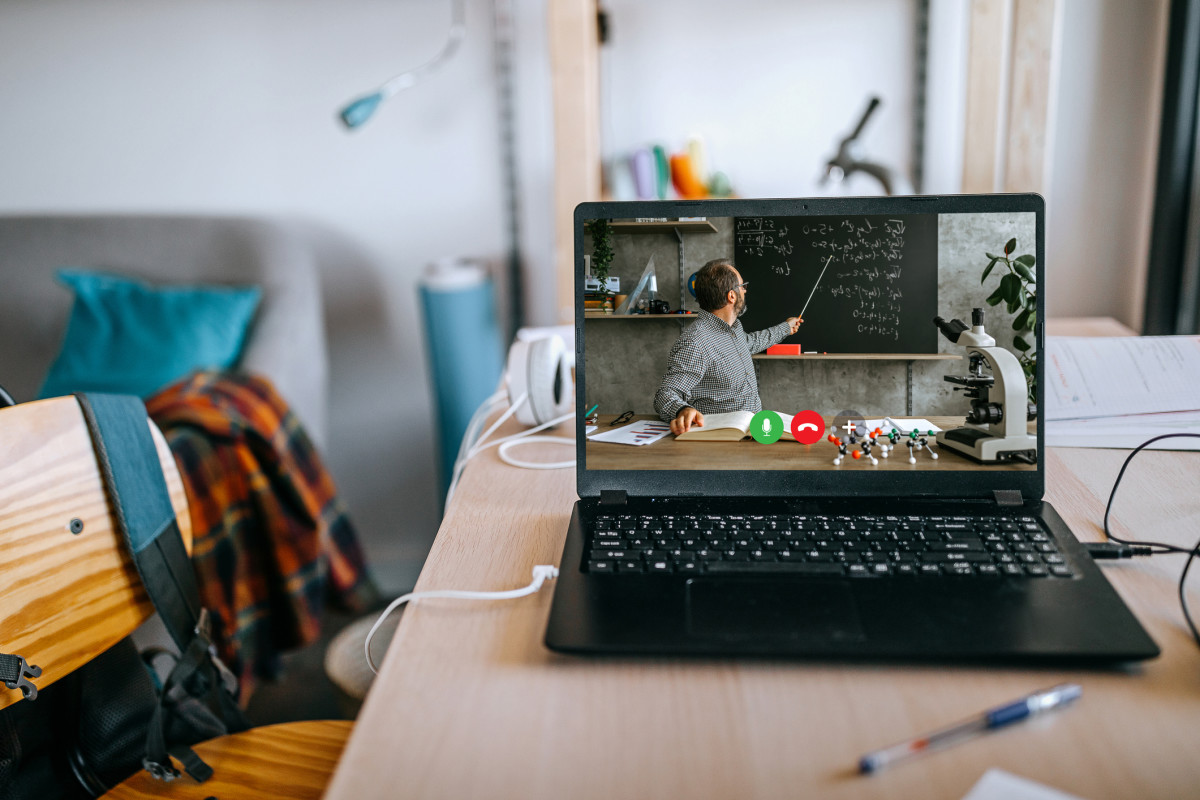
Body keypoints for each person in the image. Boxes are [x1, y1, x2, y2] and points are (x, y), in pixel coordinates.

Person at [654, 258, 802, 435]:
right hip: (722, 438)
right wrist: (681, 410)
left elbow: (751, 343)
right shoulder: (696, 342)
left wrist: (785, 328)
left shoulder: (734, 328)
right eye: (742, 286)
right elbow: (666, 394)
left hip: (754, 429)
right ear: (731, 296)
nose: (745, 290)